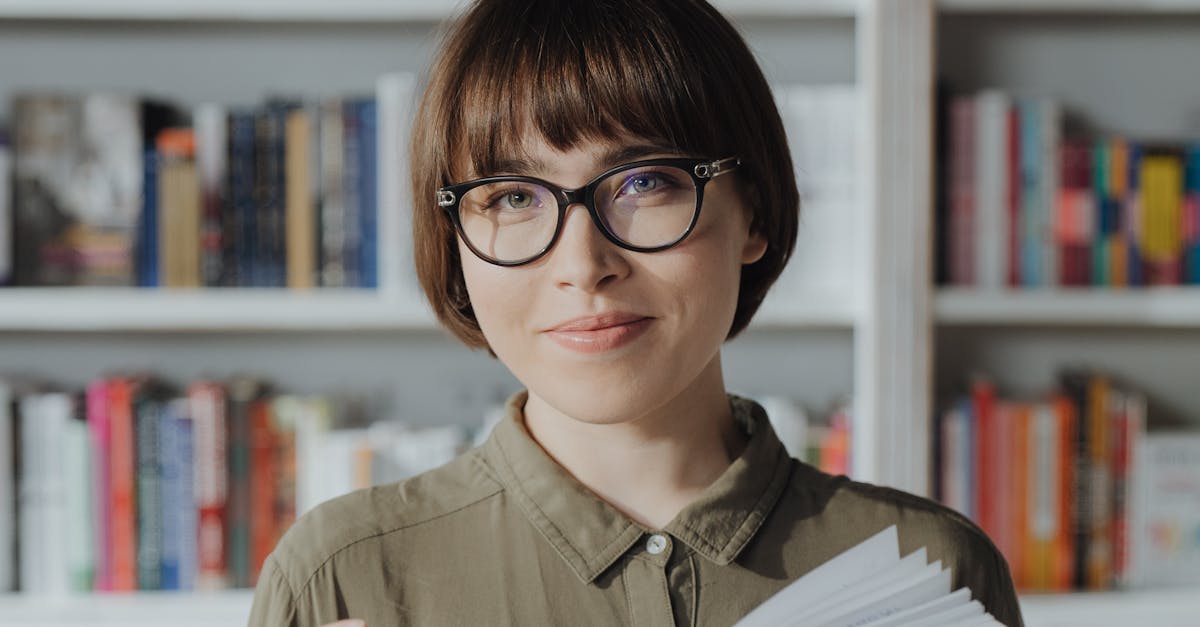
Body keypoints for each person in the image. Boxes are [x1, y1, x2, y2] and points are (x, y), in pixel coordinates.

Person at [248, 1, 1024, 625]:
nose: (584, 266)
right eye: (513, 197)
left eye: (645, 183)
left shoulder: (933, 571)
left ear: (751, 211)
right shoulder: (341, 580)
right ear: (454, 237)